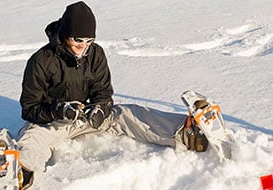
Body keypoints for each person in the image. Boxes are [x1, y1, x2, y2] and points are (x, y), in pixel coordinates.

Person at [18, 1, 208, 188]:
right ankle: (17, 172)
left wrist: (101, 109)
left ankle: (186, 132)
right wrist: (57, 111)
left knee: (127, 114)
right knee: (31, 139)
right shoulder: (41, 61)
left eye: (88, 41)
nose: (83, 46)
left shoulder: (95, 54)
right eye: (78, 40)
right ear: (66, 34)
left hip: (85, 117)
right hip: (52, 122)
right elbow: (29, 107)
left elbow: (103, 93)